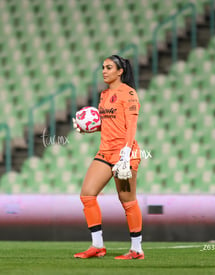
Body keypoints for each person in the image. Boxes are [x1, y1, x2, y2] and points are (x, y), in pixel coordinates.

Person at [72, 55, 144, 260]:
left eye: (109, 67)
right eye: (103, 67)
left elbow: (130, 126)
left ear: (120, 71)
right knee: (87, 194)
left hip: (125, 154)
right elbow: (110, 124)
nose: (104, 71)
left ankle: (137, 249)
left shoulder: (129, 94)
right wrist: (90, 128)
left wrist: (126, 153)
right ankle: (97, 246)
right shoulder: (104, 95)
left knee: (127, 200)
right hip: (105, 152)